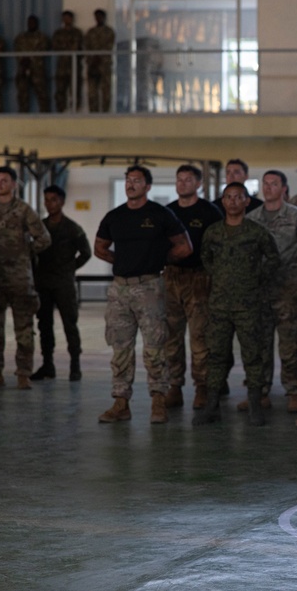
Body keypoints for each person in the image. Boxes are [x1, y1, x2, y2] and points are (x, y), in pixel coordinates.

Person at [94, 165, 192, 424]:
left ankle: (158, 401)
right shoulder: (115, 216)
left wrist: (157, 259)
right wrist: (123, 260)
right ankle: (120, 402)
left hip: (149, 286)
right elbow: (99, 248)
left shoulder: (161, 214)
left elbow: (184, 247)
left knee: (155, 346)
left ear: (147, 186)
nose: (131, 185)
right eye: (128, 180)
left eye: (137, 181)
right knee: (120, 347)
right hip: (120, 289)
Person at [194, 182, 279, 426]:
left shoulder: (256, 232)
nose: (232, 201)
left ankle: (255, 405)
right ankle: (212, 406)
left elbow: (273, 259)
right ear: (223, 202)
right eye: (228, 197)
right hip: (219, 305)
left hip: (248, 305)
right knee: (217, 355)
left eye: (238, 197)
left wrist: (254, 278)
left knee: (253, 355)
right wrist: (220, 278)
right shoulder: (213, 232)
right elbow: (205, 258)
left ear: (246, 202)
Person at [0, 167, 52, 390]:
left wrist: (25, 252)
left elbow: (44, 239)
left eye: (4, 181)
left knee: (24, 329)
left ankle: (23, 373)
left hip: (19, 279)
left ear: (14, 184)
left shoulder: (24, 211)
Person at [246, 170, 297, 412]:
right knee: (260, 343)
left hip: (289, 290)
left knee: (289, 343)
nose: (269, 188)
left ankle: (294, 391)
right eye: (265, 184)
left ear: (284, 188)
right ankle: (260, 391)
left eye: (274, 184)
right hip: (260, 291)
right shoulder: (252, 218)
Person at [164, 165, 223, 409]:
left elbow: (219, 247)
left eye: (188, 180)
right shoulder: (167, 212)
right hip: (171, 278)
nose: (183, 184)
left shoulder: (210, 212)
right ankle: (174, 386)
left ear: (198, 184)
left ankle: (202, 387)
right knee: (171, 336)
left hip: (199, 278)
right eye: (179, 179)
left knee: (200, 337)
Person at [31, 185, 91, 382]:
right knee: (44, 325)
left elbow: (86, 253)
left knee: (69, 324)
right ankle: (48, 364)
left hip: (63, 284)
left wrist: (70, 268)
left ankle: (75, 366)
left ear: (62, 202)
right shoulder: (40, 227)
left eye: (54, 200)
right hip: (44, 283)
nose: (50, 204)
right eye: (47, 200)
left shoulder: (72, 228)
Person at [13, 15, 50, 113]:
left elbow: (44, 50)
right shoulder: (20, 37)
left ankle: (45, 117)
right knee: (22, 95)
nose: (31, 24)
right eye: (29, 22)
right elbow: (16, 50)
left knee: (42, 94)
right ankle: (22, 116)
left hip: (38, 70)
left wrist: (31, 59)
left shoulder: (42, 37)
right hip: (23, 69)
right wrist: (23, 60)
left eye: (33, 22)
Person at [52, 10, 84, 113]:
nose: (66, 20)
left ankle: (75, 110)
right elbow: (55, 46)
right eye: (64, 18)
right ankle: (60, 110)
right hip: (62, 67)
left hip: (74, 66)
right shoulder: (58, 33)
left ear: (72, 19)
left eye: (68, 18)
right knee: (60, 90)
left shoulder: (77, 33)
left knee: (75, 89)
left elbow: (81, 48)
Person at [84, 9, 115, 113]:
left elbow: (109, 46)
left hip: (104, 66)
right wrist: (92, 60)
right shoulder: (90, 32)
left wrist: (98, 57)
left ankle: (106, 113)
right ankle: (93, 113)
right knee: (92, 93)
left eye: (100, 16)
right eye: (96, 16)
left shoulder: (109, 31)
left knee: (106, 92)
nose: (98, 18)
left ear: (104, 17)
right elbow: (86, 47)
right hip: (92, 66)